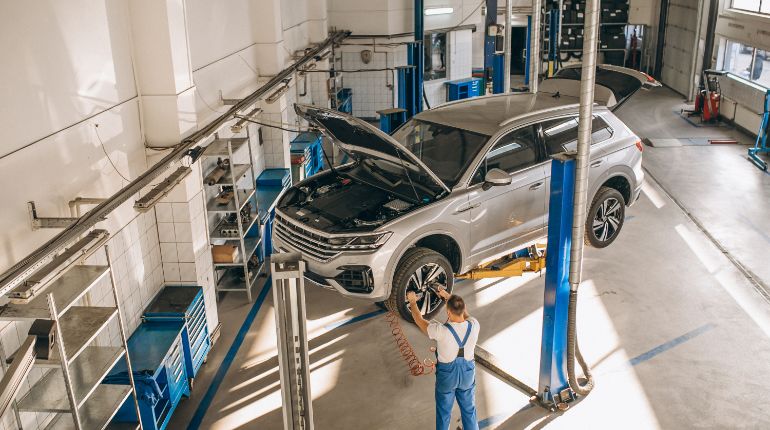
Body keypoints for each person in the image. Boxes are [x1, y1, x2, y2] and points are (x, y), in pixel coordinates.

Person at [407, 287, 480, 430]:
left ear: (448, 312)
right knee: (469, 411)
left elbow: (419, 320)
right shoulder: (474, 325)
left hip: (447, 377)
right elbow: (464, 312)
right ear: (463, 308)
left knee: (444, 413)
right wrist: (448, 296)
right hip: (467, 374)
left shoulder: (441, 331)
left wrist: (412, 302)